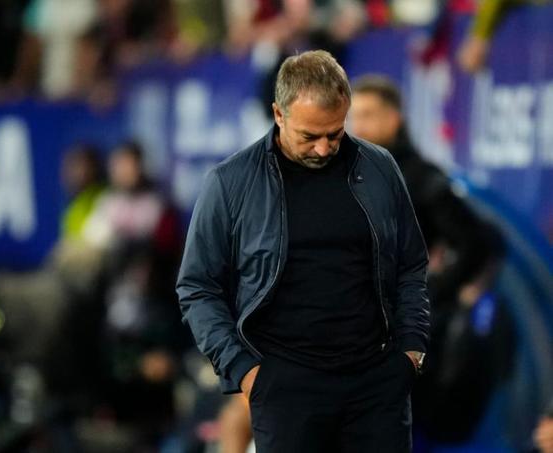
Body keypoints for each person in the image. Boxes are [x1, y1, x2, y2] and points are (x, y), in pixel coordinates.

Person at [176, 50, 430, 452]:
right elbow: (197, 287)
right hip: (284, 389)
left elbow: (411, 265)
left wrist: (411, 351)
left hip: (377, 384)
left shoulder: (380, 168)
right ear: (279, 114)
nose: (324, 148)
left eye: (335, 133)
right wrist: (244, 371)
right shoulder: (230, 183)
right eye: (310, 137)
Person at [350, 75, 513, 442]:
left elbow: (476, 242)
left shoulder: (420, 178)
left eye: (369, 115)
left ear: (394, 119)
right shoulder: (353, 175)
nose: (359, 126)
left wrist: (430, 293)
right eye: (354, 117)